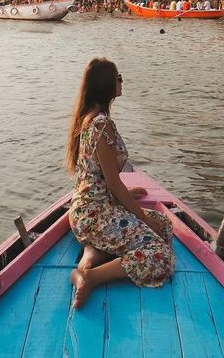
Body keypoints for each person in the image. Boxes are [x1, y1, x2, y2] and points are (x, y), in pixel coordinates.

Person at [67, 58, 174, 308]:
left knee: (164, 225)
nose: (121, 81)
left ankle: (92, 253)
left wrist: (130, 196)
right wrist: (143, 219)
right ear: (106, 84)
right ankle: (89, 276)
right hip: (93, 214)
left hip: (93, 210)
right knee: (161, 256)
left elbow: (104, 180)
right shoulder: (101, 125)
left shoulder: (93, 118)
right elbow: (114, 184)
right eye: (118, 77)